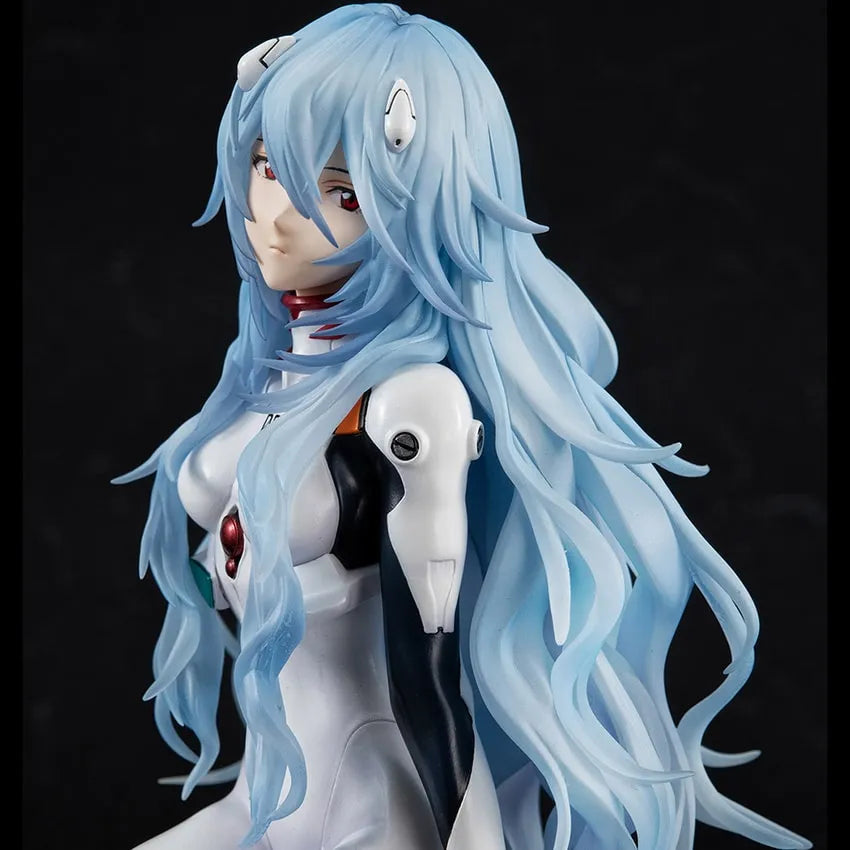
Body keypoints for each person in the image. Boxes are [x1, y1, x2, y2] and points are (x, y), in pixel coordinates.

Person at [115, 5, 812, 849]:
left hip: (382, 813)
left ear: (422, 208)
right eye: (268, 166)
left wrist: (474, 839)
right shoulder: (270, 377)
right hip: (266, 798)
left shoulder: (411, 406)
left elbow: (430, 671)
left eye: (342, 193)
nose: (280, 213)